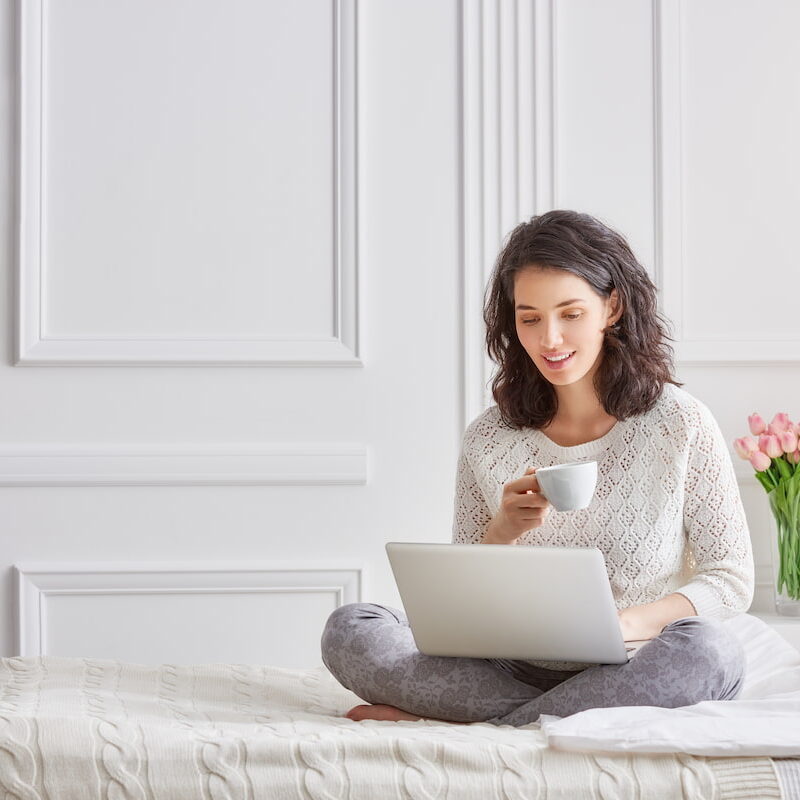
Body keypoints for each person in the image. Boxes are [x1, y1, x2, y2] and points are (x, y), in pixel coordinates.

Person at [320, 209, 754, 726]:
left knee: (711, 655)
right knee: (351, 629)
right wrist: (500, 531)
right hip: (507, 667)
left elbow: (730, 579)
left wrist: (626, 624)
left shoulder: (679, 424)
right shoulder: (490, 436)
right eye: (530, 318)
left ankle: (480, 726)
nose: (549, 339)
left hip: (634, 663)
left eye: (570, 313)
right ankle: (540, 720)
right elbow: (461, 600)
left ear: (611, 306)